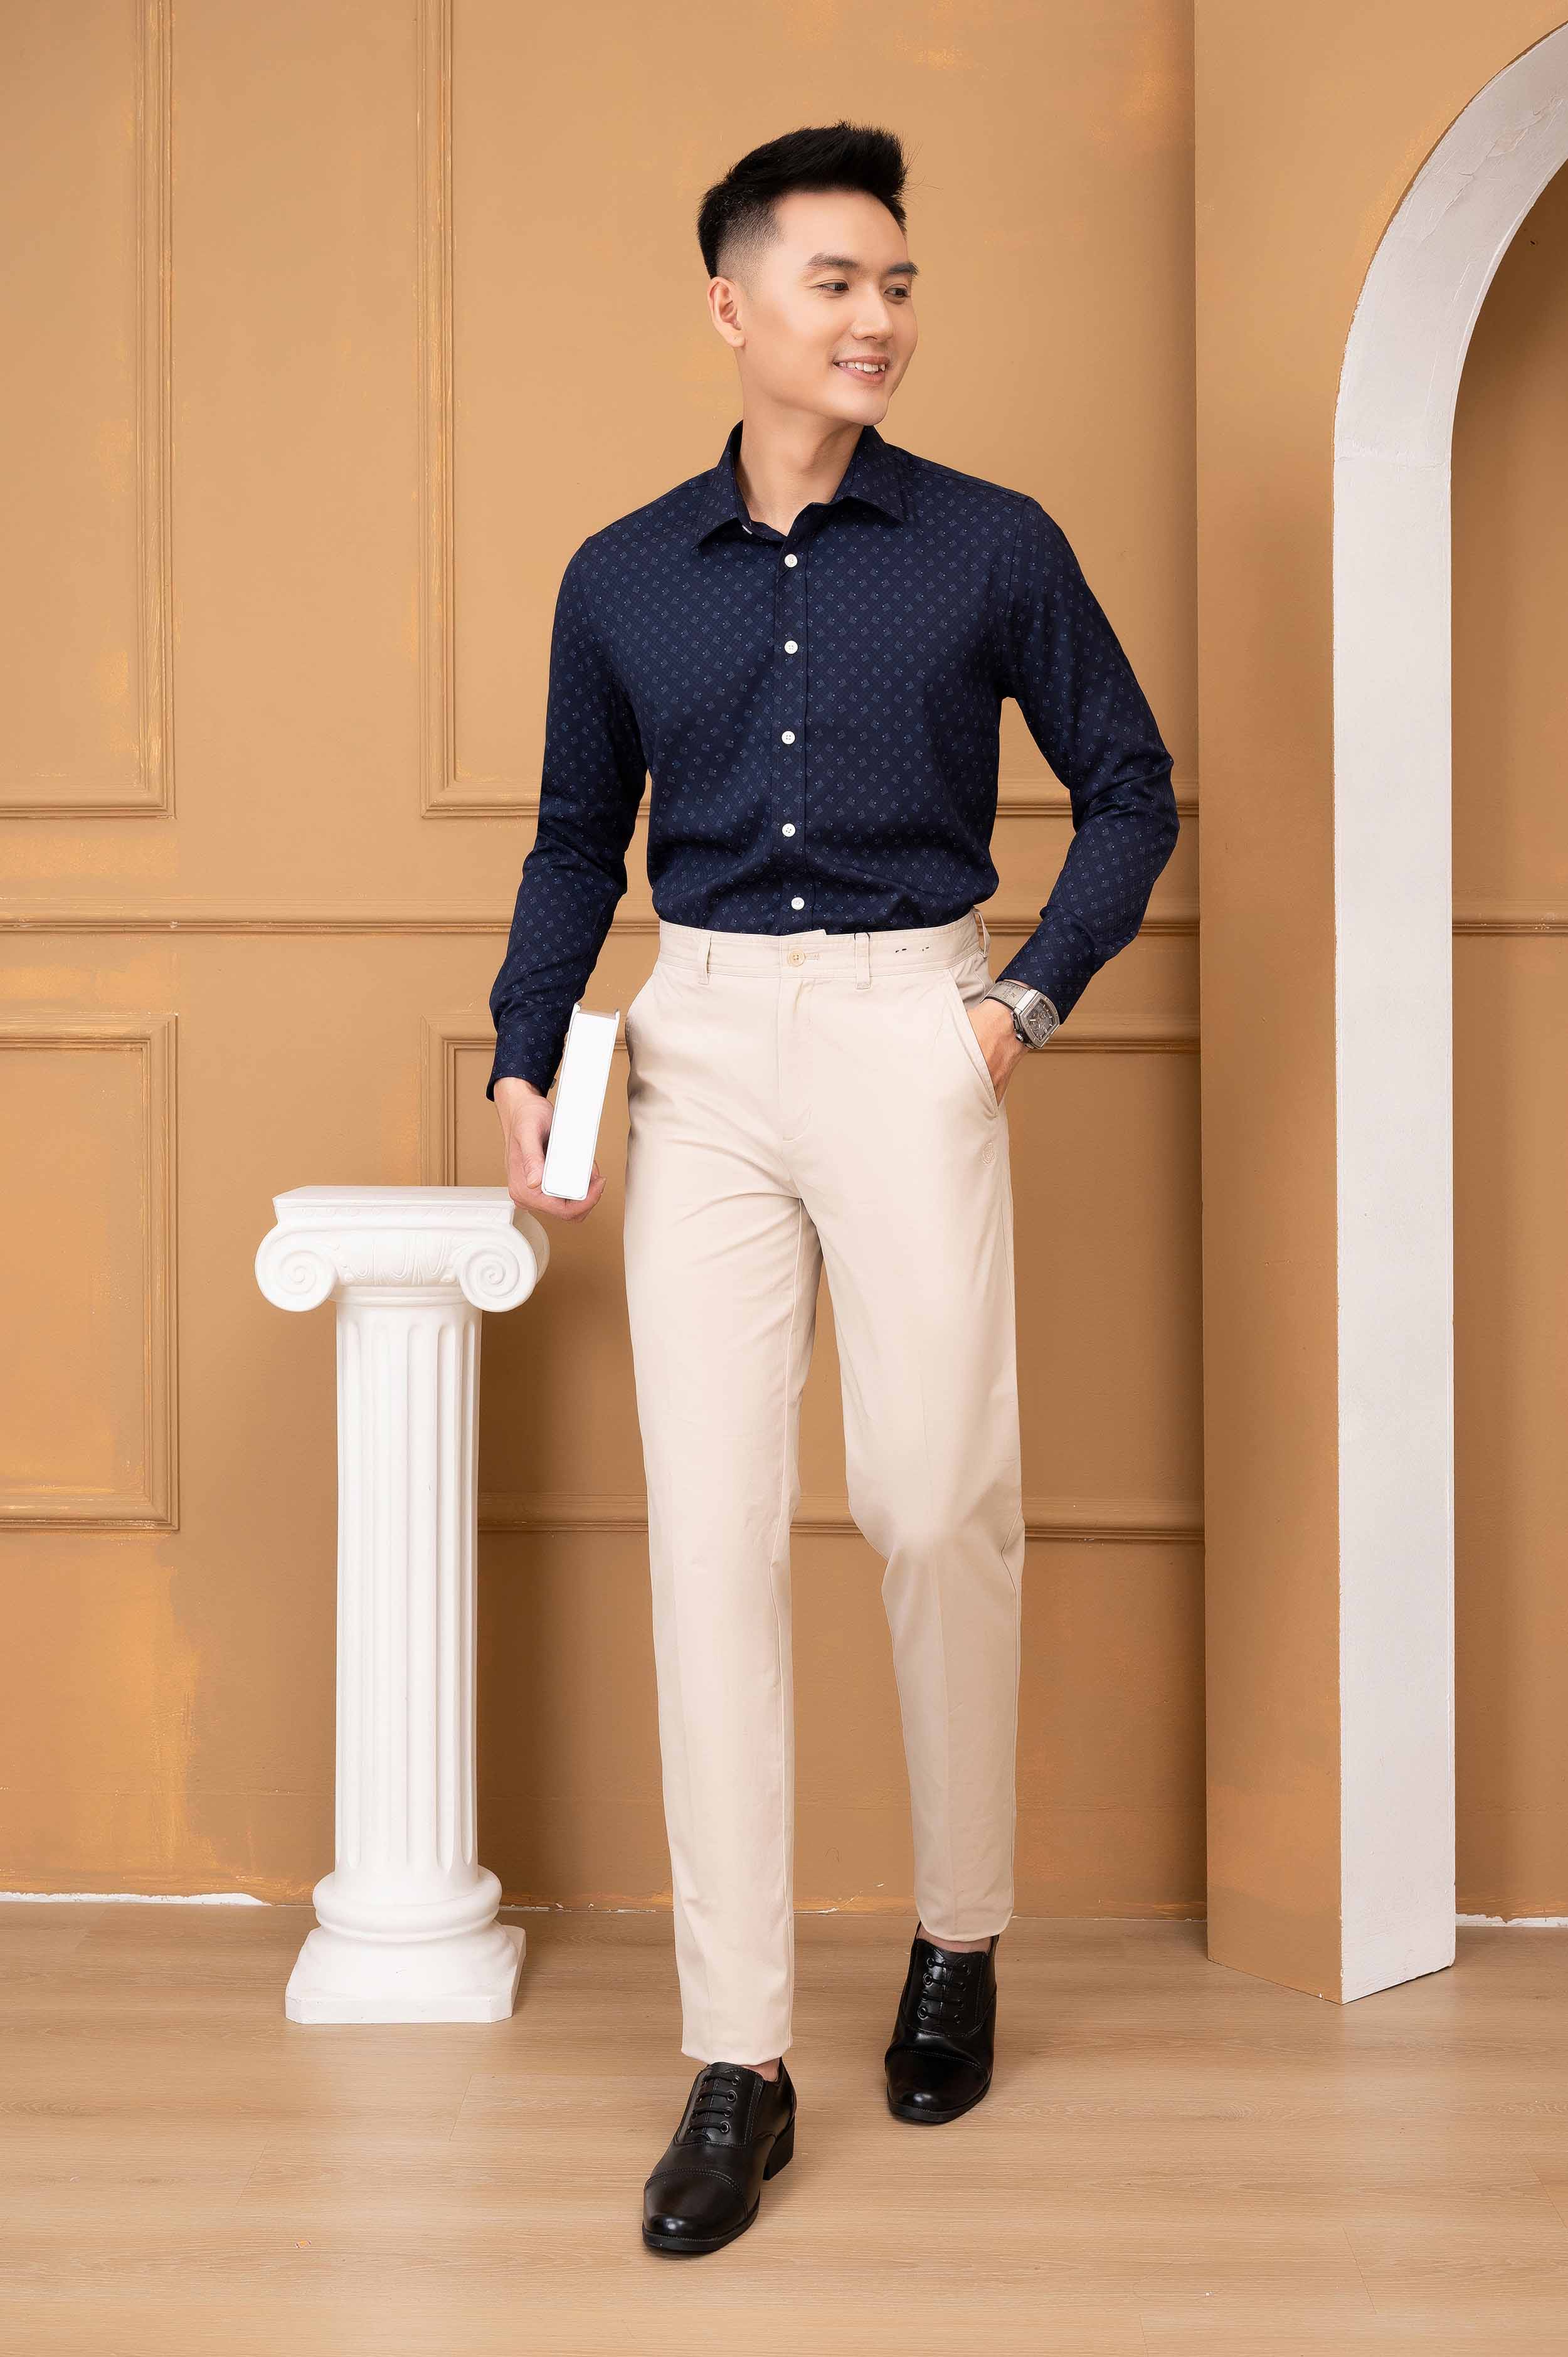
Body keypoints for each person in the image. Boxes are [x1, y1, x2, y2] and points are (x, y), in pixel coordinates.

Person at [487, 119, 1178, 2258]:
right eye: (834, 282)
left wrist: (1017, 1009)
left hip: (913, 1025)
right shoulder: (619, 575)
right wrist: (524, 1049)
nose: (875, 317)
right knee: (706, 1540)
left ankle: (957, 1938)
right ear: (731, 306)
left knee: (930, 1496)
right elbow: (574, 839)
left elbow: (1132, 788)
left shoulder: (989, 546)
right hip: (697, 1044)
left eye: (896, 285)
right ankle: (738, 2061)